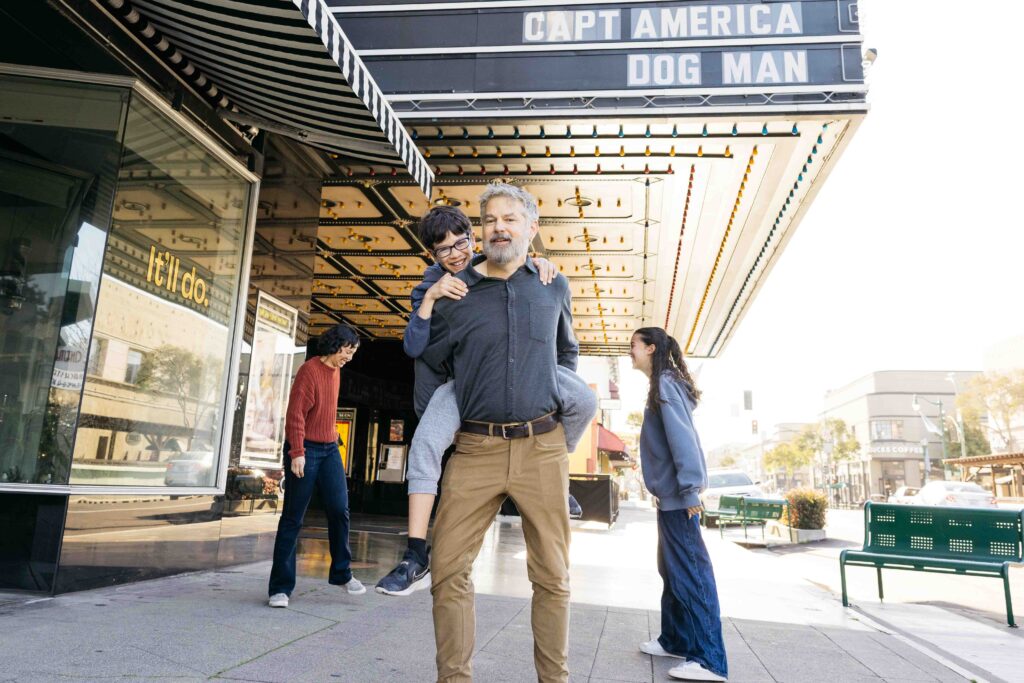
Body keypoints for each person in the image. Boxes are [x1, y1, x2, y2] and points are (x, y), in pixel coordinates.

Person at [374, 205, 596, 597]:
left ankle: (558, 480)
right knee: (425, 444)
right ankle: (414, 554)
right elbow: (413, 347)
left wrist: (539, 264)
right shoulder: (433, 286)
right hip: (464, 383)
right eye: (445, 250)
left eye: (462, 244)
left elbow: (560, 336)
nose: (456, 254)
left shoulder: (498, 267)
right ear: (433, 255)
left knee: (584, 400)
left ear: (472, 239)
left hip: (524, 373)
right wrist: (431, 298)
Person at [416, 184, 578, 682]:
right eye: (490, 219)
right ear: (480, 230)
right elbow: (429, 357)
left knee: (552, 577)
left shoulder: (553, 284)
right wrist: (431, 301)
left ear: (532, 228)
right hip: (476, 447)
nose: (499, 227)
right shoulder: (456, 292)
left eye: (510, 218)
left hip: (543, 447)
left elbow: (566, 354)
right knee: (446, 569)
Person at [629, 327, 728, 682]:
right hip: (669, 497)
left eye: (634, 345)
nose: (631, 351)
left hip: (679, 498)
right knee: (671, 571)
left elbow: (683, 439)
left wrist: (689, 492)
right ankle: (675, 639)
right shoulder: (662, 384)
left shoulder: (666, 385)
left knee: (691, 575)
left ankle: (710, 660)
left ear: (651, 348)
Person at [267, 323, 366, 608]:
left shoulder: (336, 371)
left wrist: (332, 433)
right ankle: (280, 589)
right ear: (335, 345)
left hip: (329, 448)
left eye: (353, 353)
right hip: (305, 449)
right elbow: (295, 414)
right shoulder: (309, 371)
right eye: (347, 351)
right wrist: (297, 452)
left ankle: (342, 573)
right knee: (293, 518)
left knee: (339, 509)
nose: (349, 357)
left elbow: (325, 411)